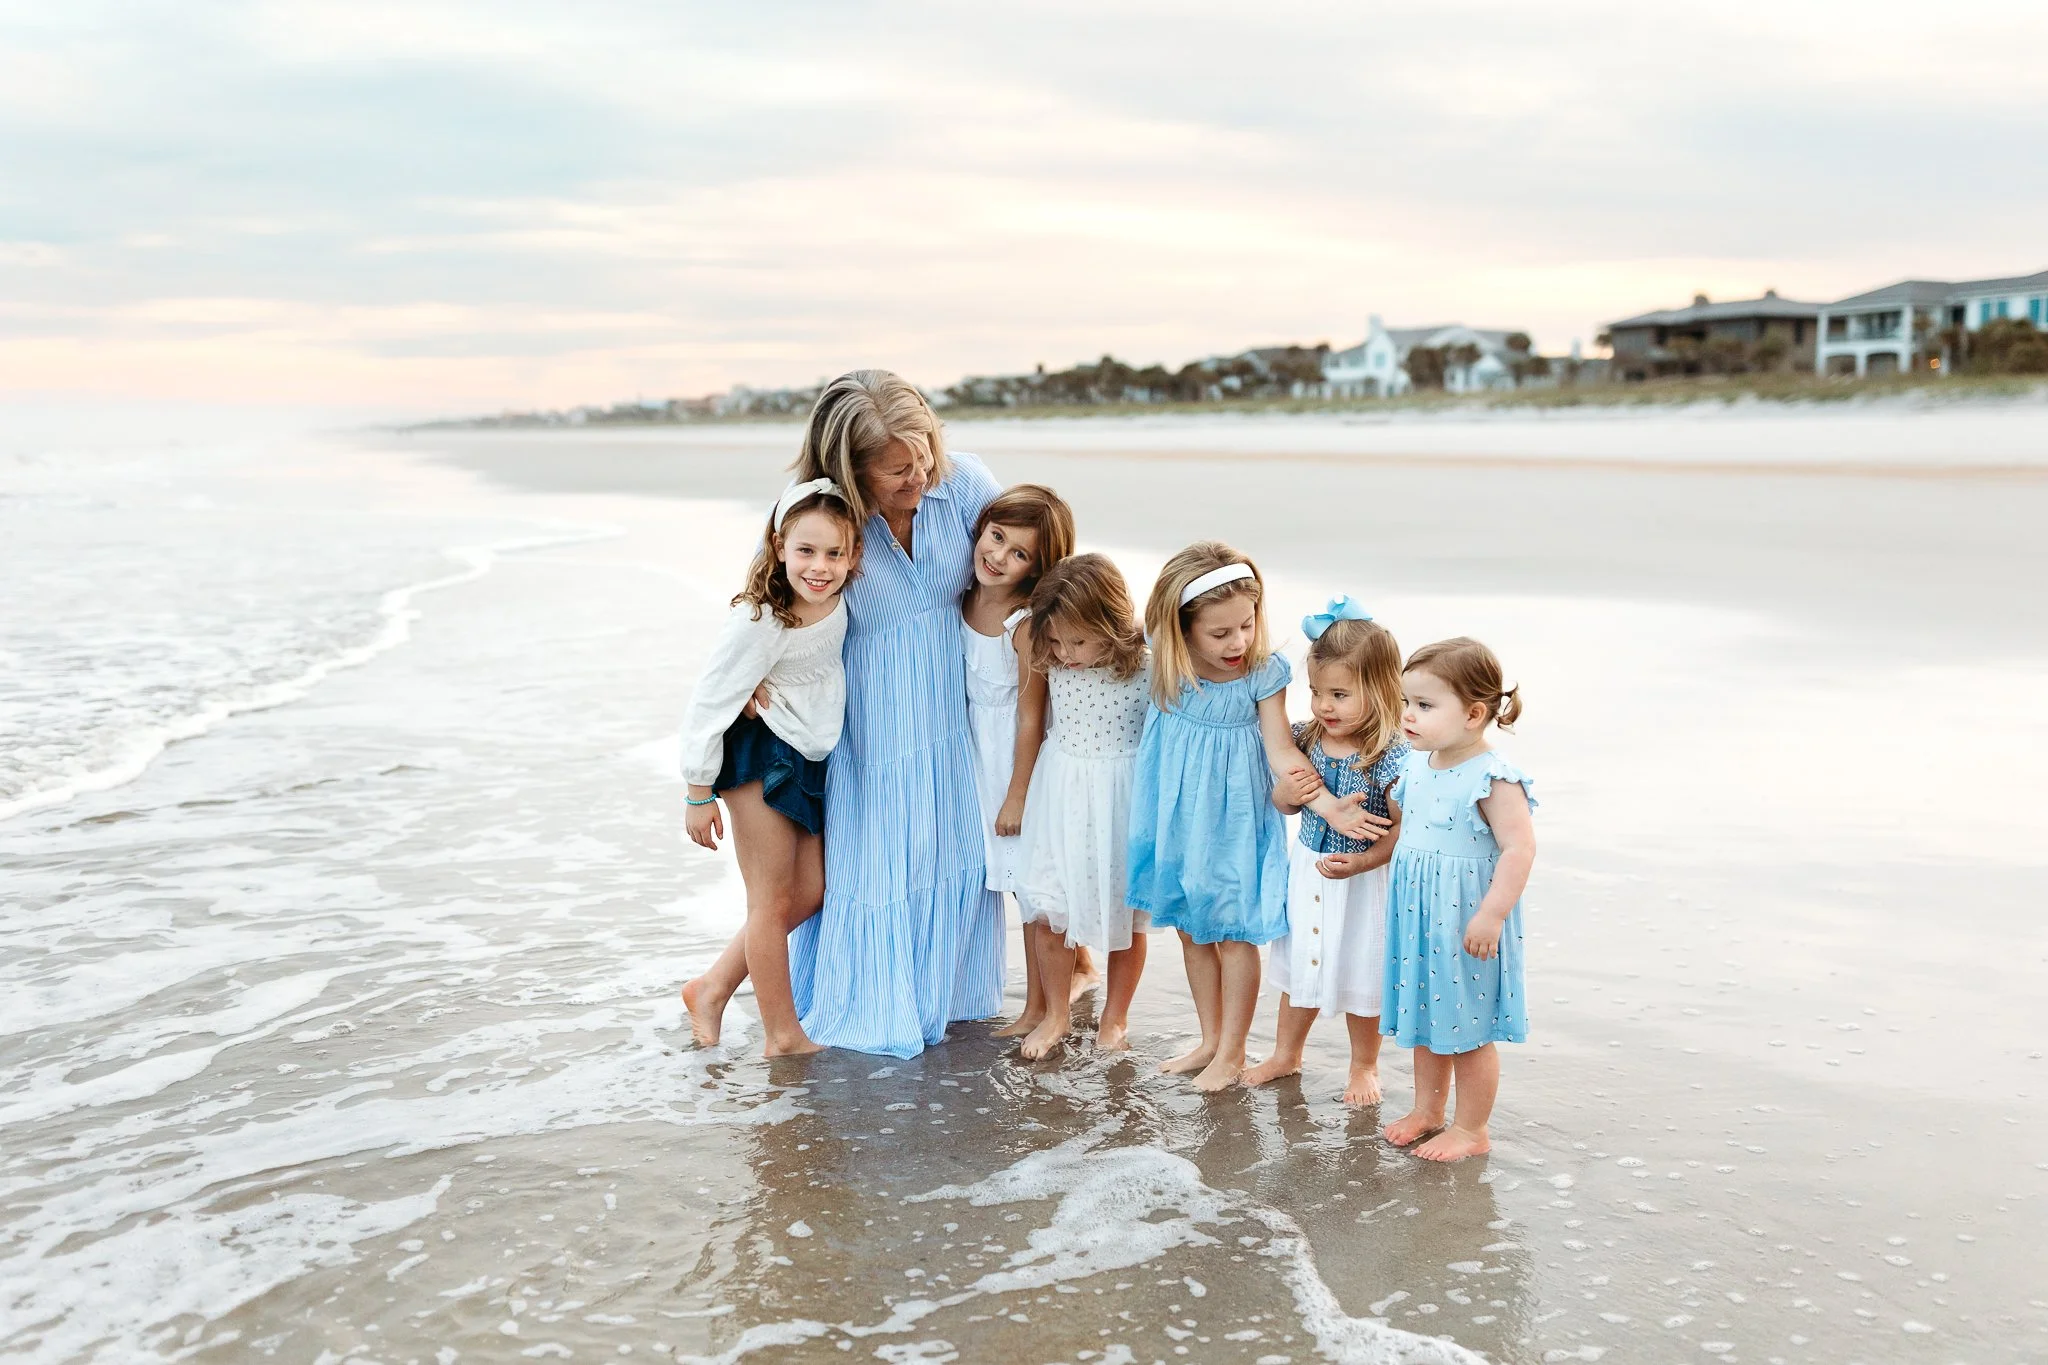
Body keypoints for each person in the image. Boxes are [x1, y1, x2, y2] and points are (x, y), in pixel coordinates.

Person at [781, 369, 1008, 1058]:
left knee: (962, 856)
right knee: (876, 865)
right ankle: (874, 1006)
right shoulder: (815, 519)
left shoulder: (966, 483)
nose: (919, 478)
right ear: (849, 471)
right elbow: (767, 602)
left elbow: (1032, 564)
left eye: (924, 457)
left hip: (958, 709)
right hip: (868, 723)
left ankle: (956, 1000)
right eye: (896, 471)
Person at [1126, 543, 1388, 1092]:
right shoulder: (1164, 661)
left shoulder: (1262, 673)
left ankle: (1234, 1051)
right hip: (1175, 815)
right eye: (1219, 633)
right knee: (1192, 930)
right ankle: (1209, 1040)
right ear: (1182, 627)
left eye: (1246, 625)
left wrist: (1325, 805)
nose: (1238, 642)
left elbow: (1282, 752)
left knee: (1234, 932)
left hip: (1237, 818)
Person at [677, 481, 860, 1056]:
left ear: (854, 556)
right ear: (779, 546)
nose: (820, 566)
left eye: (835, 553)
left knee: (809, 894)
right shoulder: (762, 618)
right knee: (769, 901)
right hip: (759, 753)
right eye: (806, 551)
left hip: (805, 751)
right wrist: (697, 790)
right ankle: (782, 1035)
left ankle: (711, 988)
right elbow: (709, 700)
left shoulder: (838, 601)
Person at [1244, 599, 1409, 1102]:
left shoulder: (1389, 755)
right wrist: (1286, 795)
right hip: (1309, 870)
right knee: (1301, 966)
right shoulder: (1306, 738)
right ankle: (1286, 1054)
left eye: (1339, 694)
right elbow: (1285, 803)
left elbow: (1400, 832)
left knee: (1364, 968)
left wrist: (1362, 861)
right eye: (1316, 692)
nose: (1323, 706)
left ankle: (1364, 1065)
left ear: (1380, 690)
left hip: (1364, 881)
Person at [1380, 636, 1537, 1162]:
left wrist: (1491, 916)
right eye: (1406, 702)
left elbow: (1519, 848)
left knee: (1467, 1027)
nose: (1408, 715)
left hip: (1466, 921)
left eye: (1424, 706)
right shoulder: (1419, 765)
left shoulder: (1492, 777)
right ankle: (1428, 1109)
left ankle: (1472, 1129)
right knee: (1428, 1016)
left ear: (1473, 713)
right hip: (1420, 918)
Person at [957, 485, 1098, 1039]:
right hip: (977, 760)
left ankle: (1042, 1007)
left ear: (1038, 568)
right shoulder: (964, 595)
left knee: (1032, 888)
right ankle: (1052, 992)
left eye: (1019, 554)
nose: (998, 557)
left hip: (1020, 769)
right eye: (996, 538)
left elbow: (1031, 719)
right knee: (1020, 885)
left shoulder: (1025, 625)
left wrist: (1017, 793)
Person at [1013, 553, 1153, 1058]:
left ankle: (1114, 1019)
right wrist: (1018, 794)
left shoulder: (1149, 663)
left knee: (1125, 915)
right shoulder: (1043, 652)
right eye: (1055, 640)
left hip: (1122, 798)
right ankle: (1056, 1015)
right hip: (1061, 791)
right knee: (1050, 907)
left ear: (1112, 626)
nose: (1065, 653)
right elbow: (1028, 723)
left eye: (1078, 641)